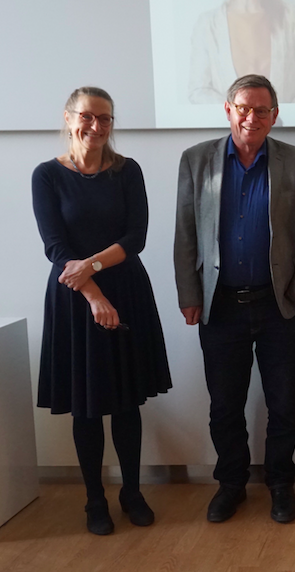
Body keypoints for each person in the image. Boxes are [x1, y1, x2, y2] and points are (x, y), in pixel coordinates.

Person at [174, 74, 295, 525]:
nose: (250, 117)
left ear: (275, 116)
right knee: (224, 405)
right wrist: (189, 293)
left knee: (284, 404)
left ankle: (280, 484)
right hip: (220, 305)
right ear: (228, 109)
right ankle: (231, 484)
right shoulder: (196, 161)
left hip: (280, 304)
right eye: (243, 107)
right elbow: (185, 234)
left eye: (261, 110)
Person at [32, 86, 172, 535]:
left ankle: (132, 492)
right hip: (75, 300)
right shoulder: (46, 175)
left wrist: (91, 265)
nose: (97, 126)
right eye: (89, 117)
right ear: (69, 117)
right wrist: (93, 294)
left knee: (127, 402)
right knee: (86, 407)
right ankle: (95, 500)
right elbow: (55, 246)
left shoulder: (127, 171)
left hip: (127, 290)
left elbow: (137, 238)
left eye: (106, 119)